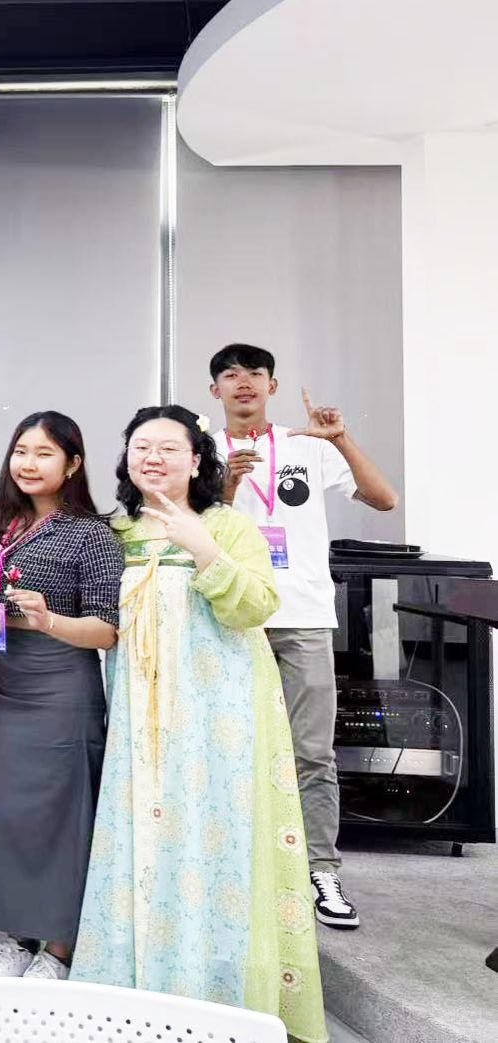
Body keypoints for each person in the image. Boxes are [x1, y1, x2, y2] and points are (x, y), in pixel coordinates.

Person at [74, 405, 328, 1043]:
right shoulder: (110, 531)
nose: (153, 457)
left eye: (168, 447)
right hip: (138, 718)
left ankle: (218, 995)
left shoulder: (228, 525)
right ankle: (134, 993)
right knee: (140, 835)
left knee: (220, 840)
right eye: (141, 447)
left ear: (196, 460)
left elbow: (258, 606)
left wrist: (203, 547)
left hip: (222, 717)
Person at [209, 344, 398, 930]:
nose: (244, 382)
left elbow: (384, 499)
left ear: (273, 385)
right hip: (231, 616)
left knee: (312, 752)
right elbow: (196, 528)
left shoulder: (307, 444)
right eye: (230, 375)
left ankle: (321, 869)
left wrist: (339, 438)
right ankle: (234, 869)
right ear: (215, 390)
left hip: (304, 616)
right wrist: (226, 487)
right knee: (229, 748)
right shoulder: (203, 450)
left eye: (255, 374)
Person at [0, 411, 123, 981]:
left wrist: (49, 620)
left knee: (61, 818)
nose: (28, 464)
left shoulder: (92, 533)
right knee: (6, 815)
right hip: (5, 688)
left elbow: (107, 629)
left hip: (64, 688)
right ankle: (16, 939)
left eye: (44, 453)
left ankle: (59, 947)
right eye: (21, 451)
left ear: (73, 464)